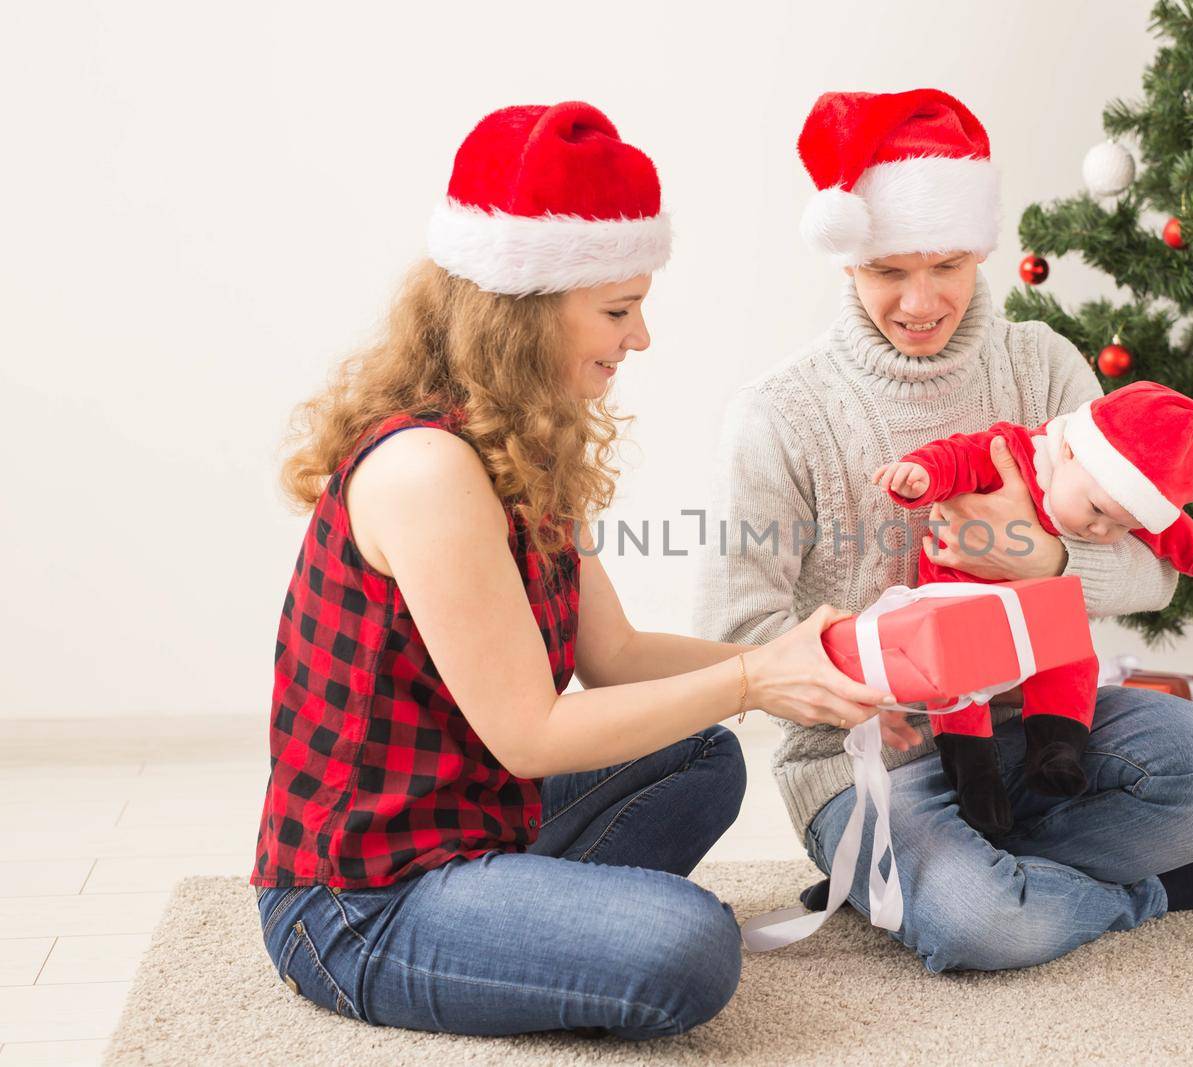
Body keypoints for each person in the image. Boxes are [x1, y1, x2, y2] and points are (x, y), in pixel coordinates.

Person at [251, 102, 888, 1039]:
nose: (641, 338)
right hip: (359, 900)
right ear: (522, 311)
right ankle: (533, 930)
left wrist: (798, 659)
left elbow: (616, 654)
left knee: (704, 753)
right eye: (619, 309)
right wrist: (752, 677)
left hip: (470, 818)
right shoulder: (428, 469)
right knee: (693, 948)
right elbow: (533, 736)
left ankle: (528, 927)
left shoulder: (518, 439)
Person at [695, 88, 1193, 974]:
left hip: (1041, 725)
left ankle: (935, 885)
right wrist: (868, 686)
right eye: (887, 271)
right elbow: (735, 638)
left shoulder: (1043, 364)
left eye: (945, 263)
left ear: (982, 247)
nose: (919, 299)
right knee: (985, 926)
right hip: (872, 757)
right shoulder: (779, 415)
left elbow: (1155, 573)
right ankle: (1151, 885)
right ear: (846, 263)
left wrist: (1039, 554)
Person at [873, 380, 1193, 833]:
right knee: (958, 684)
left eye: (1120, 527)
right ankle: (975, 777)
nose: (1100, 531)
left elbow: (1170, 531)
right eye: (1096, 511)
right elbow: (957, 457)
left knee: (1072, 661)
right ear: (1070, 451)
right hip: (961, 604)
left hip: (1038, 612)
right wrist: (920, 476)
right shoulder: (1013, 452)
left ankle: (1056, 752)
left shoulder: (1114, 492)